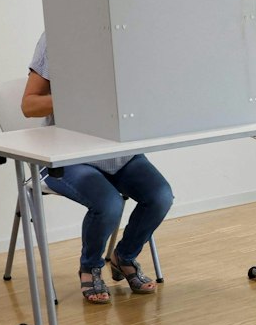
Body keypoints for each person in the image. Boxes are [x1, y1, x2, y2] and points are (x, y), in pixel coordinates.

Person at [21, 33, 174, 303]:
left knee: (160, 196)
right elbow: (29, 105)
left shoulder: (124, 33)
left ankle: (123, 257)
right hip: (67, 154)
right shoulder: (56, 37)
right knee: (109, 204)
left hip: (115, 150)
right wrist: (82, 97)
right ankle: (90, 267)